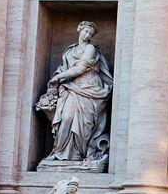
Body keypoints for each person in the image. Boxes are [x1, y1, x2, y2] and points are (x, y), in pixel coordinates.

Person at [39, 21, 114, 166]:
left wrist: (57, 78)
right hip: (71, 87)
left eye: (90, 34)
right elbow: (64, 68)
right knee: (66, 117)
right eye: (86, 31)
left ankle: (77, 154)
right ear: (79, 29)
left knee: (85, 123)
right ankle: (59, 152)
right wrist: (59, 78)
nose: (87, 35)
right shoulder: (69, 51)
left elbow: (80, 69)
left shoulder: (90, 48)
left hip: (89, 87)